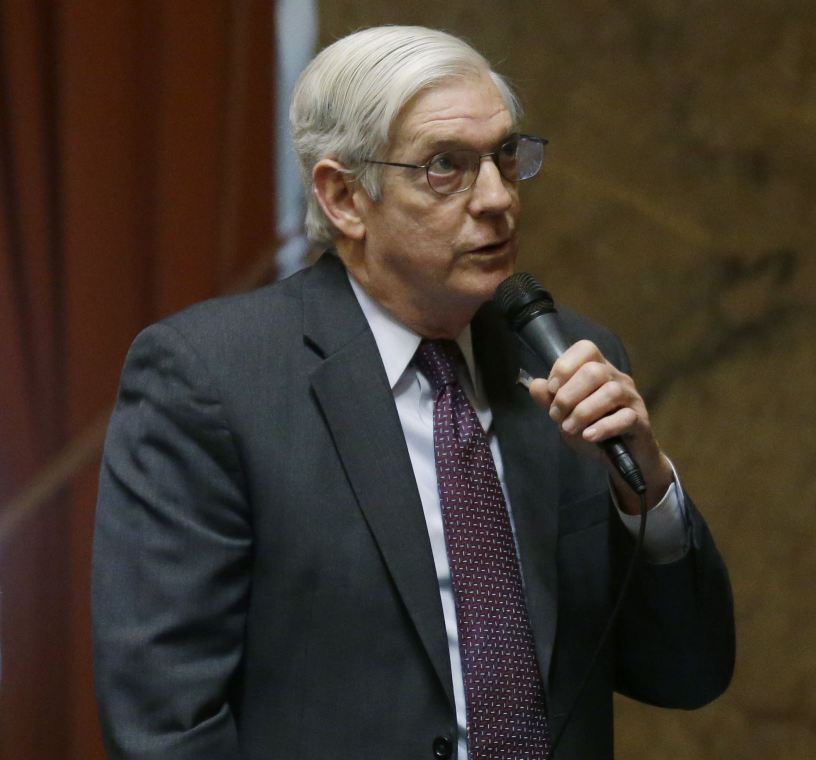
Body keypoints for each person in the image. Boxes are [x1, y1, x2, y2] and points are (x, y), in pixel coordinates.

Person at [92, 25, 734, 760]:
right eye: (445, 168)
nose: (497, 199)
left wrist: (646, 495)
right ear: (343, 196)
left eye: (504, 156)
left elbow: (688, 673)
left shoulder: (567, 365)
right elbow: (165, 723)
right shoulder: (212, 380)